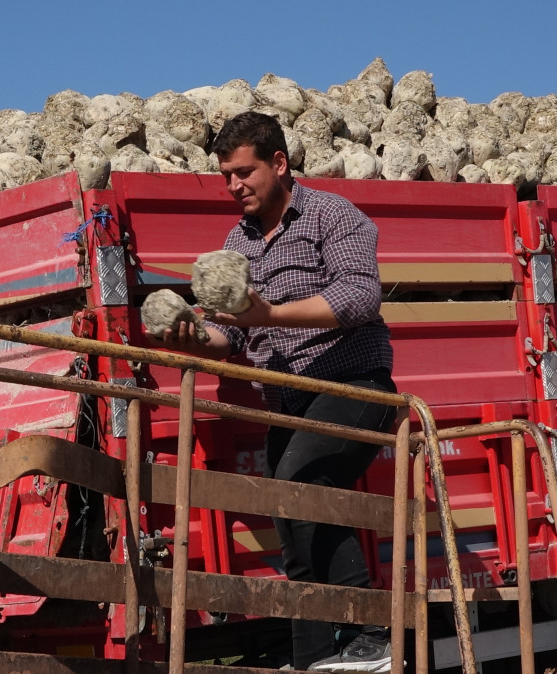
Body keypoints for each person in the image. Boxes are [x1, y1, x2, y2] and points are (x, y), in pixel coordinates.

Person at [152, 110, 398, 672]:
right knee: (287, 515)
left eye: (243, 172)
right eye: (226, 176)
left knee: (301, 486)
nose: (233, 186)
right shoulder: (235, 244)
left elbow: (361, 297)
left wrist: (271, 313)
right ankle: (313, 657)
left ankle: (375, 634)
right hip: (288, 401)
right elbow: (232, 338)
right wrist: (194, 338)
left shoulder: (333, 216)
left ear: (279, 163)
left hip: (353, 383)